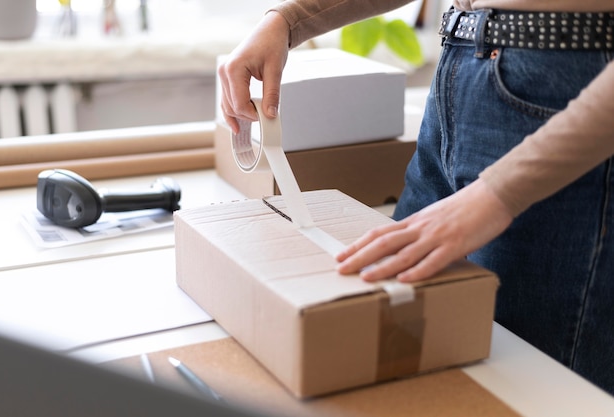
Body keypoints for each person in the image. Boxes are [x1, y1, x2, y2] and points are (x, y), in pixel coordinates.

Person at [218, 0, 614, 395]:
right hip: (461, 75)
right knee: (409, 346)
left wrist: (501, 192)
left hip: (568, 98)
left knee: (531, 387)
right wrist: (289, 20)